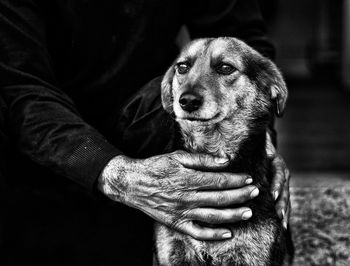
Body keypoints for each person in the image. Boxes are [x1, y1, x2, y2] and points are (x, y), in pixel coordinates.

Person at [0, 0, 291, 265]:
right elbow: (20, 90)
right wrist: (115, 174)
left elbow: (241, 39)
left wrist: (256, 138)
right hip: (39, 140)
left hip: (143, 116)